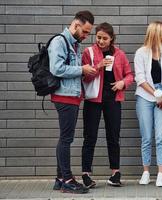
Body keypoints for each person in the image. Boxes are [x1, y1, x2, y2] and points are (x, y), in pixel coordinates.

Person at [48, 10, 96, 194]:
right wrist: (81, 69)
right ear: (76, 25)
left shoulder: (72, 43)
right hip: (64, 97)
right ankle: (68, 179)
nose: (85, 36)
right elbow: (56, 69)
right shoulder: (60, 41)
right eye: (84, 31)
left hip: (72, 96)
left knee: (65, 138)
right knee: (66, 139)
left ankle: (60, 179)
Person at [81, 22, 134, 187]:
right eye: (98, 38)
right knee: (90, 136)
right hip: (93, 100)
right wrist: (98, 66)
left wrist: (122, 84)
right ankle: (86, 174)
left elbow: (130, 75)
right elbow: (84, 77)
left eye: (105, 38)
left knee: (113, 136)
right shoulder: (88, 52)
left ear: (111, 39)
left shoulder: (120, 54)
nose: (101, 41)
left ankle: (115, 173)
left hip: (113, 99)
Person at [134, 21, 162, 187]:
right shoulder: (141, 53)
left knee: (160, 136)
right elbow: (140, 78)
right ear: (157, 34)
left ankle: (160, 174)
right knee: (146, 137)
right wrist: (157, 95)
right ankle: (145, 172)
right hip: (145, 97)